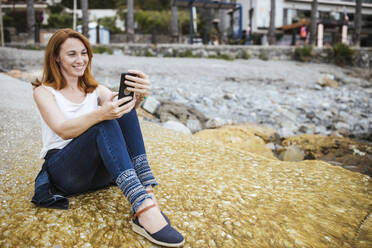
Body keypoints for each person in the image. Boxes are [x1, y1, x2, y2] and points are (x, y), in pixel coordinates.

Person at [31, 28, 185, 247]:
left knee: (124, 110)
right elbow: (63, 129)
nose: (80, 59)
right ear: (56, 57)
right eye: (72, 54)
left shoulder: (96, 89)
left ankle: (147, 191)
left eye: (84, 53)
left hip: (98, 175)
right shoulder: (44, 92)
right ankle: (142, 206)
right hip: (66, 172)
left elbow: (121, 110)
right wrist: (102, 113)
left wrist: (138, 97)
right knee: (103, 123)